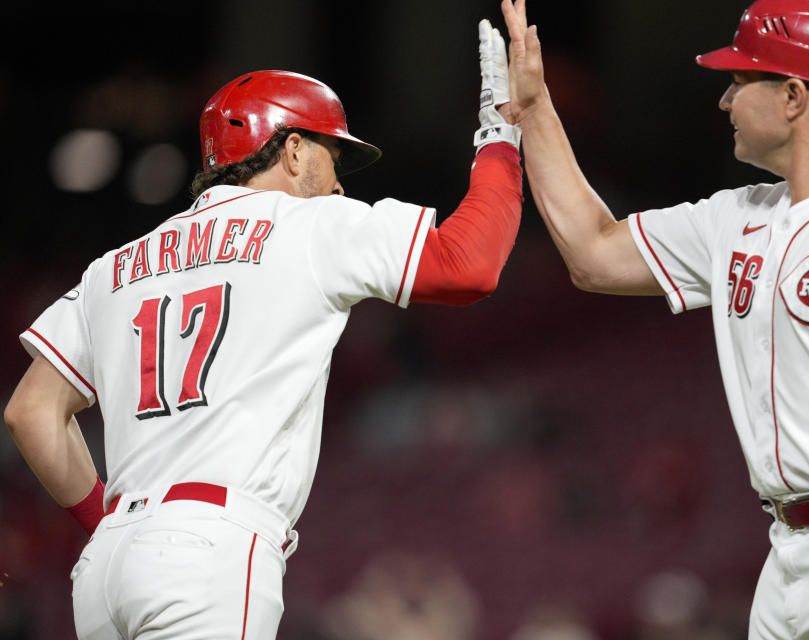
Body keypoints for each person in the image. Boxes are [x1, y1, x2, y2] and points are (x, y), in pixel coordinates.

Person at [3, 21, 521, 640]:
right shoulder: (309, 226)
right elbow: (470, 266)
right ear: (293, 149)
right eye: (332, 157)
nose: (337, 183)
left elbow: (30, 411)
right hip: (209, 548)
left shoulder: (114, 266)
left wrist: (110, 524)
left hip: (106, 567)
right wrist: (500, 136)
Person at [496, 0, 809, 637]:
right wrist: (536, 110)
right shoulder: (737, 216)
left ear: (793, 96)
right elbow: (594, 253)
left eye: (740, 81)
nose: (723, 102)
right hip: (789, 545)